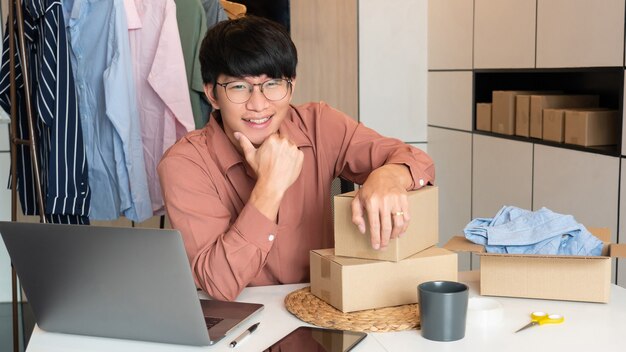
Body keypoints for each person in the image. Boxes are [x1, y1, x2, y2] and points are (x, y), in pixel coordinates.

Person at [157, 16, 435, 301]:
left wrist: (387, 177)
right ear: (212, 94)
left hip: (324, 305)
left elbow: (417, 160)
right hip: (242, 320)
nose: (258, 104)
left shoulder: (319, 123)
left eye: (273, 84)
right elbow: (218, 283)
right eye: (239, 87)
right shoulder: (185, 164)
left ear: (291, 86)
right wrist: (270, 187)